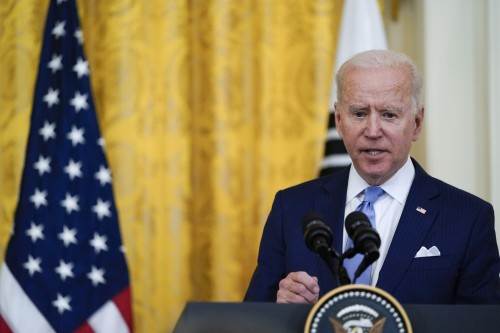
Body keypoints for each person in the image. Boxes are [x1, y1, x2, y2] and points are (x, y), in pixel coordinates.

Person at [244, 49, 500, 304]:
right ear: (340, 120)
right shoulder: (291, 208)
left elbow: (482, 324)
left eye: (389, 114)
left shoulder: (468, 218)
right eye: (359, 113)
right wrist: (282, 310)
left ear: (417, 123)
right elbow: (254, 319)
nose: (373, 131)